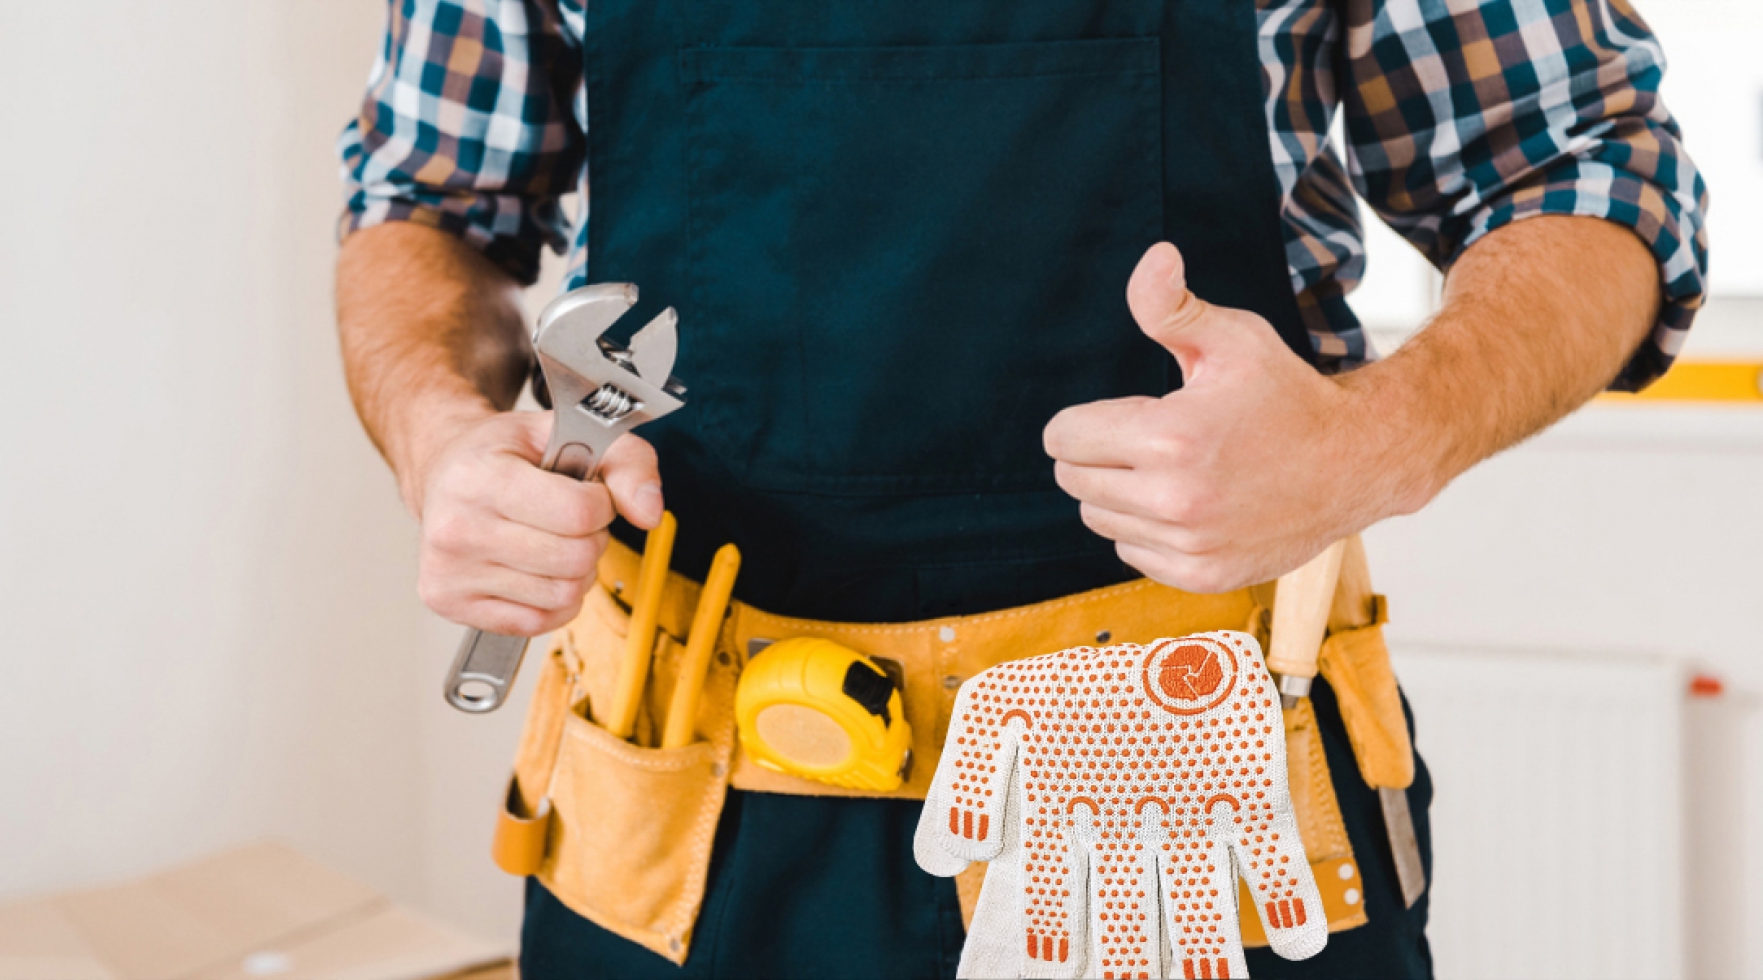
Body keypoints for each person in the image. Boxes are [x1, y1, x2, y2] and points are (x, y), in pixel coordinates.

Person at [334, 0, 1706, 976]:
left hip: (1190, 800)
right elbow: (430, 203)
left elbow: (1585, 163)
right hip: (687, 817)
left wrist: (1375, 442)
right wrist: (440, 435)